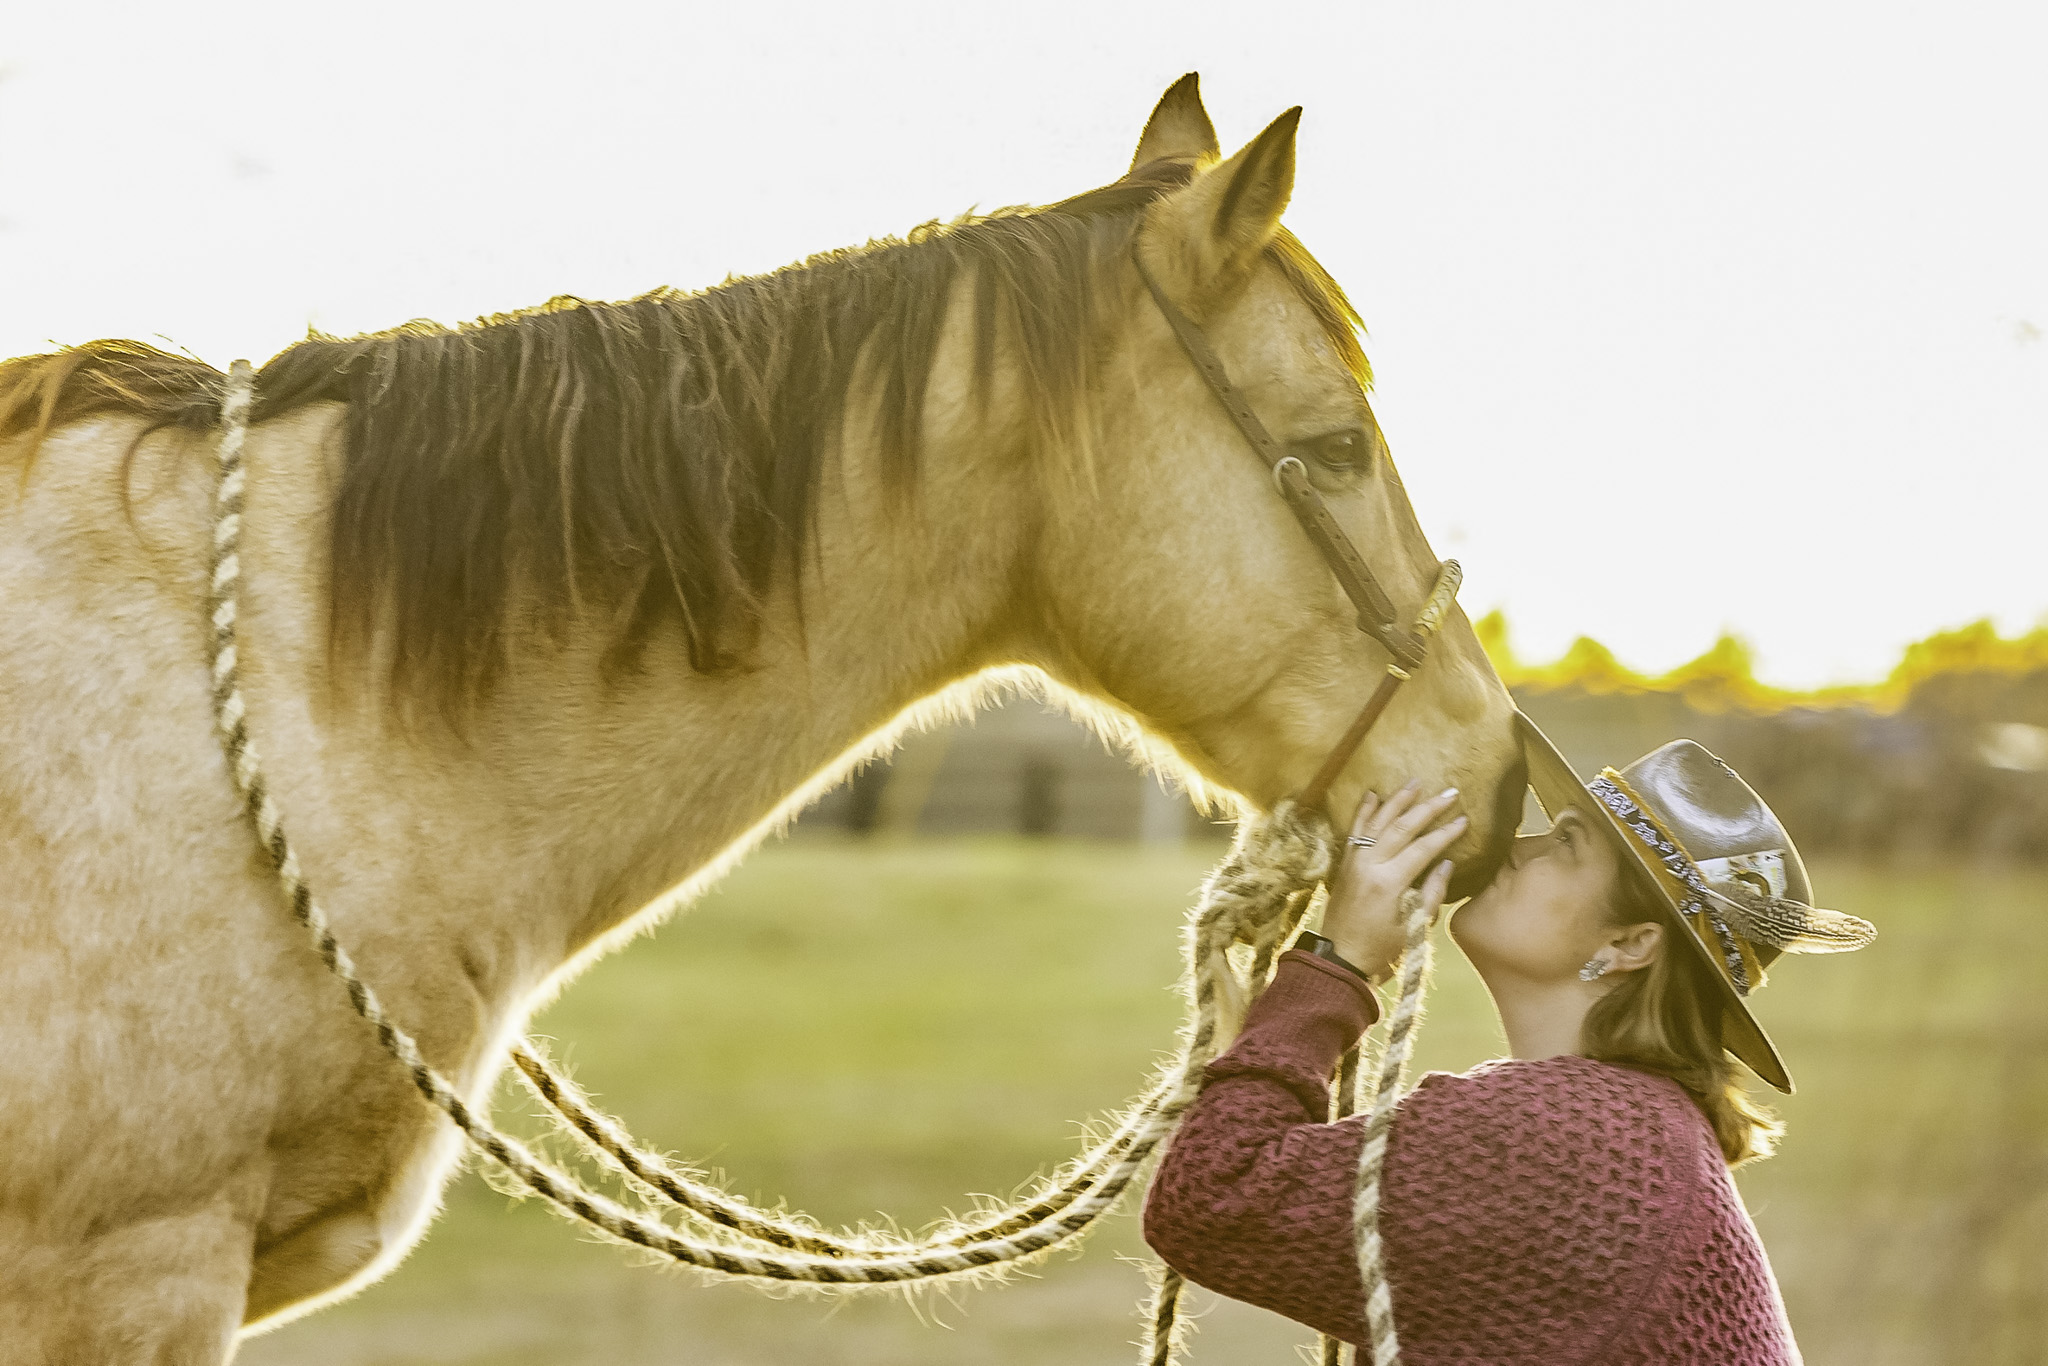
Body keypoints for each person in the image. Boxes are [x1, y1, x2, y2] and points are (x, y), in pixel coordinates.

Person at [1144, 714, 1876, 1364]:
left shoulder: (1572, 1133)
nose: (1515, 848)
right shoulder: (1631, 1127)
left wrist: (1338, 963)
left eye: (1565, 844)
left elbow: (1214, 1199)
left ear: (1630, 941)